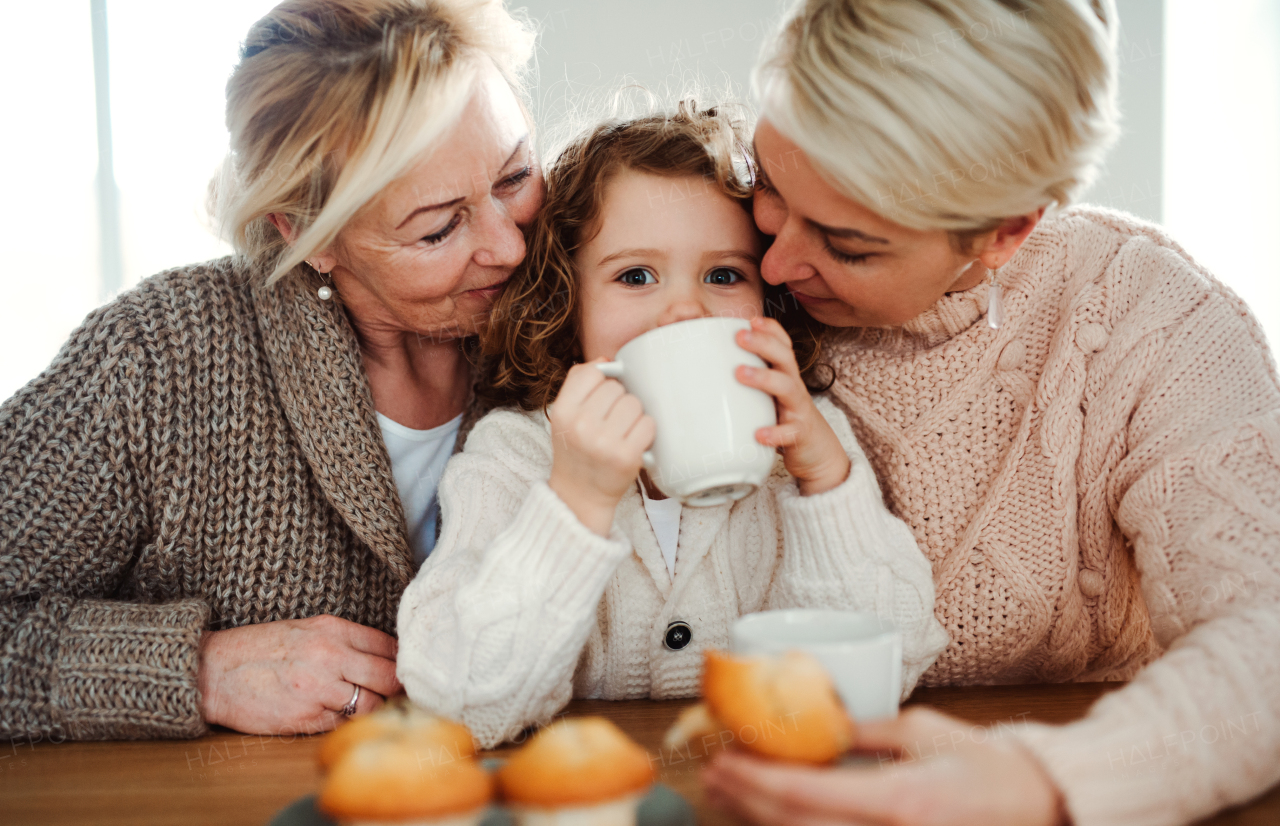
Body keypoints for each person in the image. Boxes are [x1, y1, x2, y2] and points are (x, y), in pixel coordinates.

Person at [701, 1, 1280, 825]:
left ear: (1007, 232)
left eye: (849, 245)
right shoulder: (714, 266)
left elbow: (1269, 642)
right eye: (768, 183)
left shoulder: (1159, 326)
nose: (776, 257)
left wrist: (1045, 781)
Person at [0, 0, 543, 741]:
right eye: (439, 227)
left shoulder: (583, 294)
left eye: (514, 177)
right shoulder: (157, 361)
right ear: (305, 231)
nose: (510, 247)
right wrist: (197, 671)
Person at [395, 104, 951, 748]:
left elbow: (894, 664)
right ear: (568, 303)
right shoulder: (517, 453)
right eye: (636, 275)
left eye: (723, 275)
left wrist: (827, 484)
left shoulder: (805, 444)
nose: (685, 309)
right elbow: (456, 703)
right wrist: (576, 503)